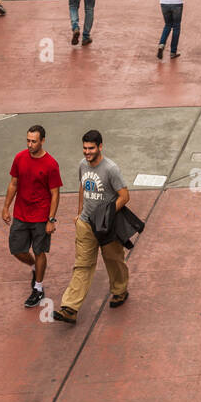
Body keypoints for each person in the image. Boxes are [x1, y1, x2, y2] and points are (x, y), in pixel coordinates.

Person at [53, 131, 131, 324]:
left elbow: (124, 196)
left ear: (100, 147)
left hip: (107, 227)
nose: (87, 152)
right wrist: (79, 214)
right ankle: (69, 308)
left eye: (91, 148)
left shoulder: (111, 169)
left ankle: (120, 291)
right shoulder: (82, 165)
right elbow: (83, 186)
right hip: (86, 225)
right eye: (85, 148)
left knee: (114, 260)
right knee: (82, 265)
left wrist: (107, 214)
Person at [2, 125, 62, 310]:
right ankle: (36, 267)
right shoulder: (19, 158)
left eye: (33, 141)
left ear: (42, 140)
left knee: (39, 251)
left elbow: (55, 194)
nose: (29, 144)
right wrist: (6, 207)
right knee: (17, 249)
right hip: (21, 213)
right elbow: (14, 184)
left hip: (40, 217)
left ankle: (38, 287)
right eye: (28, 140)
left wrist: (51, 220)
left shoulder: (51, 164)